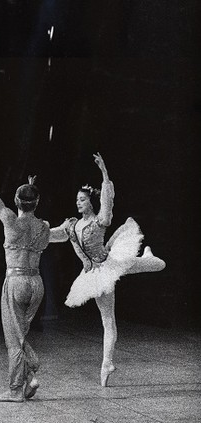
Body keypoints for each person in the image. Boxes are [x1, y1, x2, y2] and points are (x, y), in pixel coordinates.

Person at [49, 153, 166, 387]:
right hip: (93, 272)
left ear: (90, 201)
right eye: (77, 199)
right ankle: (149, 258)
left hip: (106, 266)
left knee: (108, 320)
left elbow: (107, 202)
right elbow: (52, 235)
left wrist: (104, 173)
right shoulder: (71, 225)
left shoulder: (98, 221)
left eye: (82, 199)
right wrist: (34, 230)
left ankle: (107, 363)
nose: (78, 202)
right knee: (133, 270)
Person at [0, 140, 50, 402]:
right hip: (37, 284)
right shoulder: (44, 227)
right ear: (37, 201)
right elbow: (48, 233)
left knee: (13, 338)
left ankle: (16, 388)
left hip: (16, 281)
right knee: (21, 332)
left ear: (16, 201)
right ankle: (30, 375)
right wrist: (32, 189)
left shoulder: (9, 219)